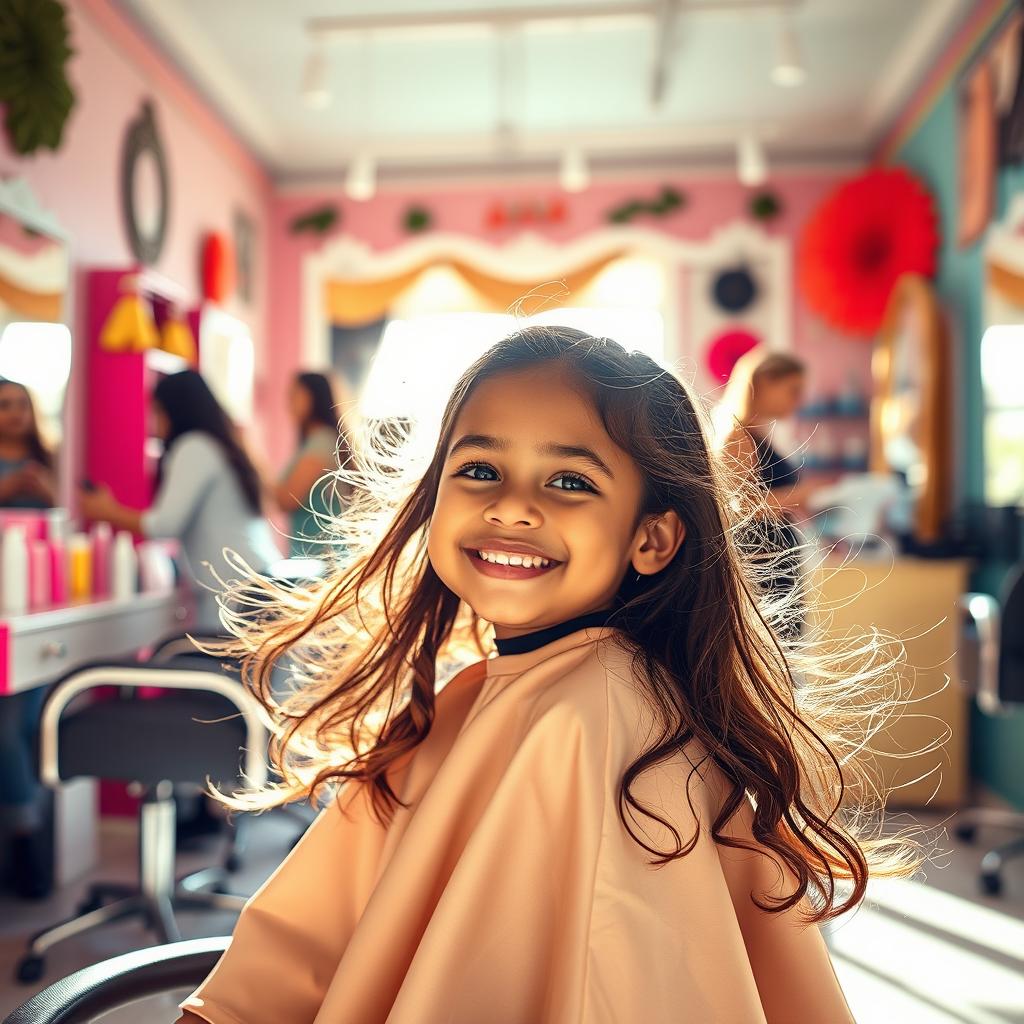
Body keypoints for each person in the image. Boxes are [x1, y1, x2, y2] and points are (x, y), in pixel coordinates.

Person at [179, 327, 917, 1024]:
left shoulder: (588, 721)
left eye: (568, 480)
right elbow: (317, 927)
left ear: (652, 538)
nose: (511, 505)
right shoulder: (494, 685)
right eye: (479, 470)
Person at [80, 370, 281, 632]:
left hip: (242, 592)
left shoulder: (194, 447)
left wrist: (107, 511)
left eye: (158, 412)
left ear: (174, 411)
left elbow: (164, 524)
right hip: (261, 579)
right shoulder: (221, 446)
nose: (154, 423)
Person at [717, 349, 816, 631]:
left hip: (775, 566)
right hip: (763, 571)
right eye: (793, 390)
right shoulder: (737, 437)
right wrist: (801, 494)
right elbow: (742, 508)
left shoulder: (755, 434)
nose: (799, 400)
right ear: (764, 382)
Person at [273, 371, 349, 557]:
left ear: (313, 398)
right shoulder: (317, 441)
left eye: (295, 395)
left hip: (320, 558)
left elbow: (287, 499)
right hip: (316, 555)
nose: (288, 403)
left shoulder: (321, 442)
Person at [0, 378, 56, 508]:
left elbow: (65, 506)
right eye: (4, 405)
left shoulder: (48, 456)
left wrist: (45, 490)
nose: (16, 413)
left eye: (23, 405)